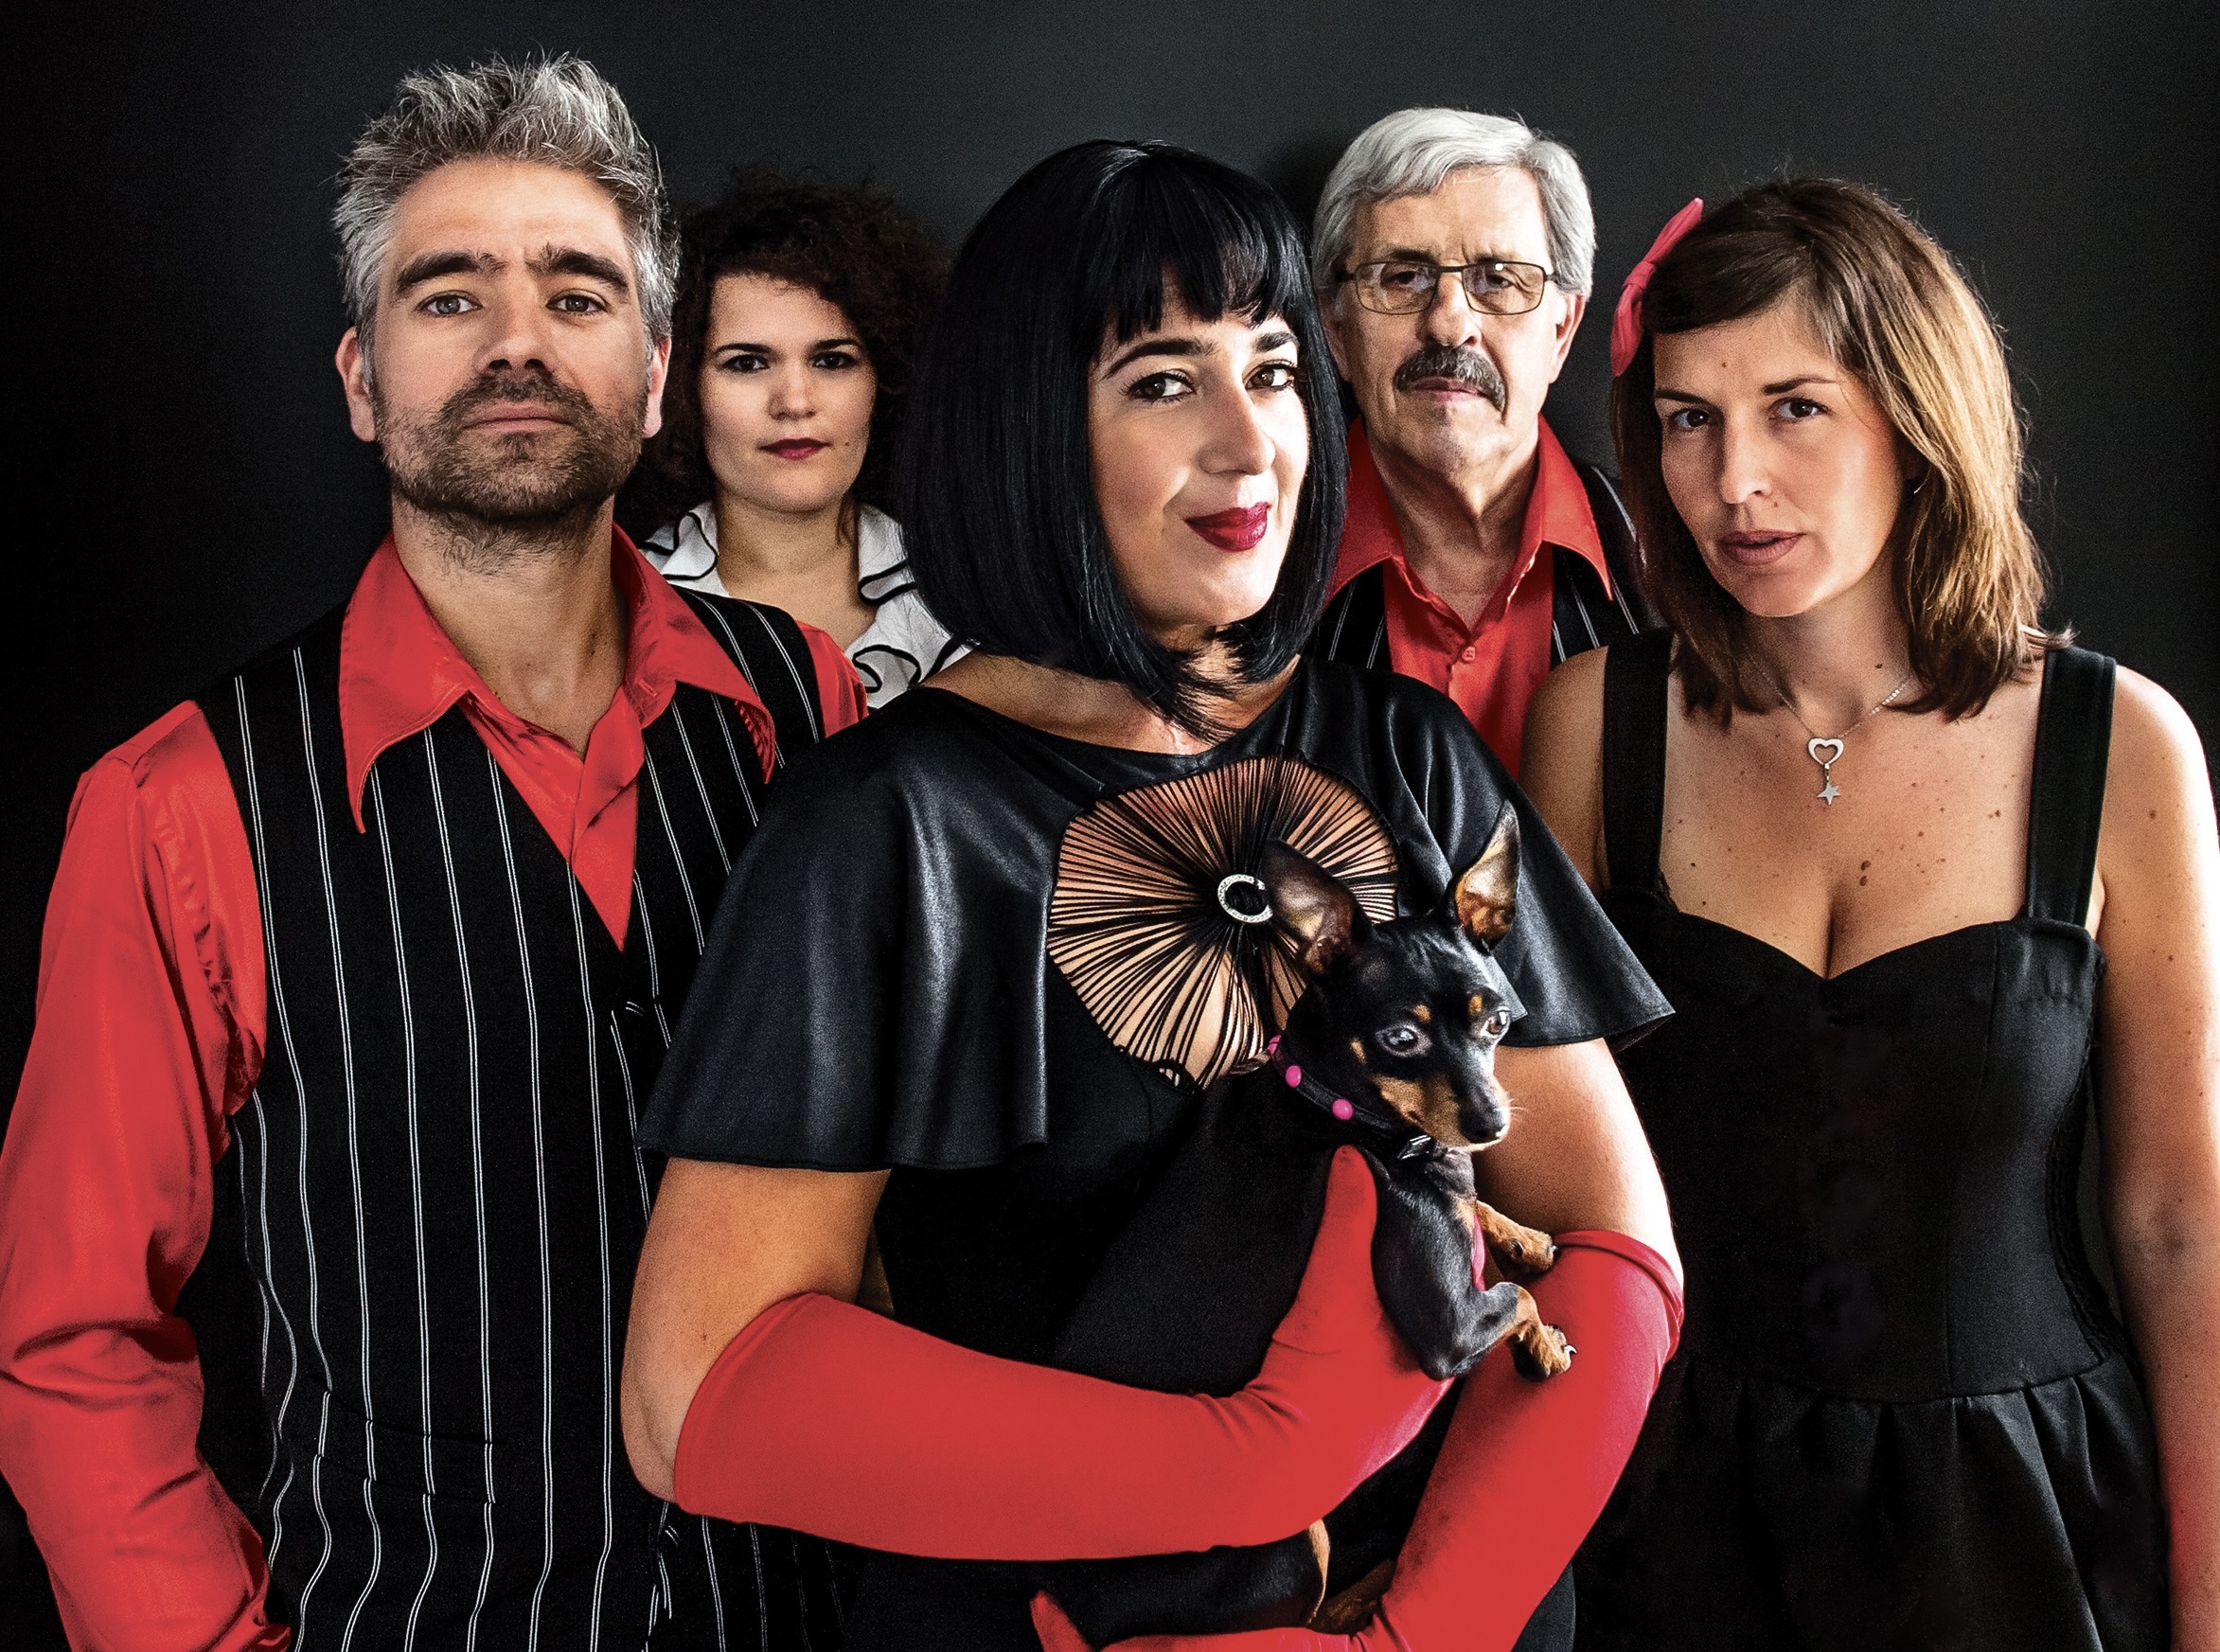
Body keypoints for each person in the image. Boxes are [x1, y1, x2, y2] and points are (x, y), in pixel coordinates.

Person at [620, 138, 1682, 1652]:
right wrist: (1249, 1467)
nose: (1252, 444)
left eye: (1274, 370)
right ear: (1029, 430)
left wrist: (1424, 1632)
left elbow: (1614, 1257)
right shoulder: (885, 824)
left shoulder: (1406, 751)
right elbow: (701, 1396)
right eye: (1164, 381)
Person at [0, 56, 864, 1652]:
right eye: (450, 295)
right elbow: (77, 1340)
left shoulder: (806, 706)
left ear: (653, 376)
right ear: (359, 377)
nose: (517, 341)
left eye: (577, 294)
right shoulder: (178, 803)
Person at [1520, 180, 2218, 1649]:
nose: (1733, 481)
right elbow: (1529, 1189)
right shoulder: (1593, 725)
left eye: (1794, 409)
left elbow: (2175, 1222)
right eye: (1689, 418)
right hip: (1670, 1509)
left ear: (1913, 413)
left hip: (2025, 1518)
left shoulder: (2121, 746)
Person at [1305, 108, 1656, 777]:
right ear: (1336, 328)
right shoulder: (1250, 582)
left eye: (1497, 279)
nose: (1448, 324)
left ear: (1561, 330)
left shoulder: (1677, 563)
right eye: (1402, 277)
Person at [625, 172, 960, 706]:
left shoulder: (973, 600)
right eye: (747, 363)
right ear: (681, 384)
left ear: (887, 379)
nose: (795, 402)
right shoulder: (620, 608)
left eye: (832, 361)